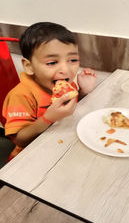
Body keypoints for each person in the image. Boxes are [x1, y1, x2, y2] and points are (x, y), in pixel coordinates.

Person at [2, 22, 96, 159]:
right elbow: (19, 140)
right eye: (52, 63)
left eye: (73, 60)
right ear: (29, 66)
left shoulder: (65, 85)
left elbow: (69, 108)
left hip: (62, 146)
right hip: (30, 157)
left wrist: (83, 91)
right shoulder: (20, 95)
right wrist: (48, 118)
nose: (66, 70)